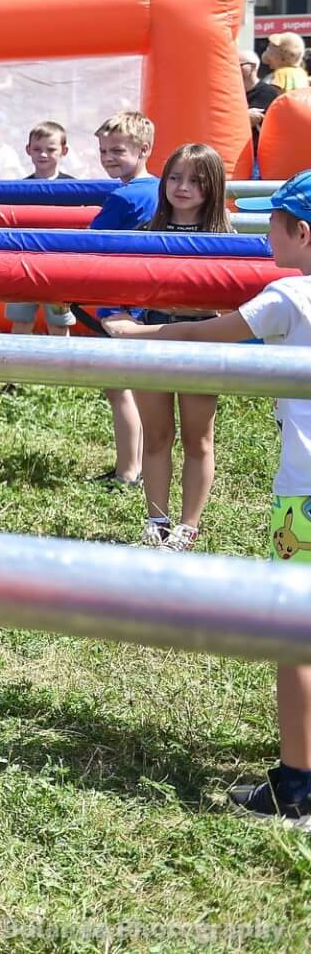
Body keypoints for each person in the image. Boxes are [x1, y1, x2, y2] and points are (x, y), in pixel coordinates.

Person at [109, 169, 311, 827]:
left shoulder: (288, 296)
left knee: (296, 637)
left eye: (273, 220)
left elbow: (203, 335)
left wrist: (136, 337)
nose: (265, 229)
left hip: (303, 499)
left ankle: (297, 785)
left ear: (300, 232)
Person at [99, 144, 230, 550]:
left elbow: (233, 298)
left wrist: (188, 306)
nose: (182, 187)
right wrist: (115, 315)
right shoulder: (144, 234)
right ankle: (156, 520)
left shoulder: (224, 236)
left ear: (213, 187)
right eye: (174, 177)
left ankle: (188, 526)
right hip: (153, 340)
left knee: (199, 438)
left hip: (202, 343)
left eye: (195, 180)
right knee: (156, 437)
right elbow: (109, 281)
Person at [87, 111, 160, 490]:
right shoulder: (163, 189)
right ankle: (138, 463)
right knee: (138, 386)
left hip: (119, 302)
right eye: (103, 150)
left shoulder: (123, 197)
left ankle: (128, 470)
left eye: (117, 150)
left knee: (120, 388)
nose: (108, 157)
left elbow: (90, 243)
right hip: (150, 300)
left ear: (144, 148)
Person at [4, 121, 77, 337]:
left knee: (59, 323)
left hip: (59, 265)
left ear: (64, 151)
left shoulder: (74, 188)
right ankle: (17, 365)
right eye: (37, 149)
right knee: (21, 320)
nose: (43, 154)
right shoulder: (21, 188)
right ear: (28, 150)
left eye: (50, 149)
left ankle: (62, 366)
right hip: (24, 264)